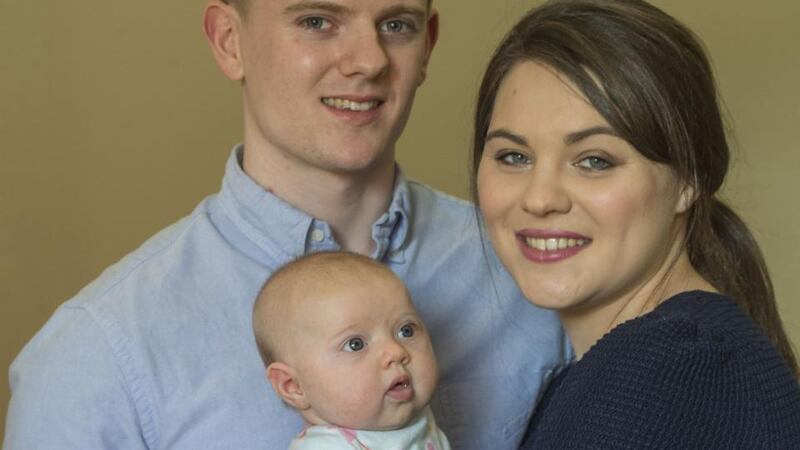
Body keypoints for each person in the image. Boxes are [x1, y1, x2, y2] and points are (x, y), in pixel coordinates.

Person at [4, 1, 567, 449]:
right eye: (317, 21)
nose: (368, 61)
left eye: (395, 25)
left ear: (427, 47)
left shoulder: (536, 268)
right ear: (229, 41)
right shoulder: (92, 357)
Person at [471, 0, 800, 448]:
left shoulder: (655, 377)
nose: (540, 197)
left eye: (593, 160)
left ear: (691, 178)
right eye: (514, 156)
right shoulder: (675, 357)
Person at [253, 251, 450, 449]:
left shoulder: (414, 417)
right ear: (293, 386)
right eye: (355, 344)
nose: (396, 351)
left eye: (406, 331)